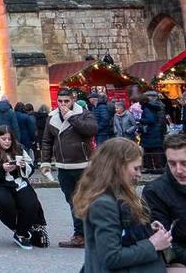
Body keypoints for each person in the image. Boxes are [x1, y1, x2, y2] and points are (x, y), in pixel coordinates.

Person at [74, 137, 171, 273]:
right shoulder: (103, 204)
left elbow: (123, 233)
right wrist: (152, 244)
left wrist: (146, 229)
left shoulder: (116, 196)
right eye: (136, 168)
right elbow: (112, 257)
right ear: (117, 167)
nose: (139, 174)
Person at [0, 125, 48, 249]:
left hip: (18, 181)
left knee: (31, 204)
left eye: (9, 139)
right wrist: (1, 168)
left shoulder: (18, 148)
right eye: (4, 139)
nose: (7, 142)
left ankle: (21, 233)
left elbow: (30, 167)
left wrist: (23, 166)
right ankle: (19, 230)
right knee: (6, 204)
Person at [40, 87, 98, 248]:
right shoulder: (51, 117)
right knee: (72, 201)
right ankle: (80, 235)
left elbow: (91, 130)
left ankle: (90, 234)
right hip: (63, 166)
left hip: (83, 165)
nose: (63, 104)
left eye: (66, 101)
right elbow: (46, 141)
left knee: (85, 200)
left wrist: (71, 117)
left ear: (72, 100)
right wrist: (45, 162)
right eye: (60, 101)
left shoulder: (84, 113)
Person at [142, 133, 186, 266]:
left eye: (184, 163)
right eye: (172, 163)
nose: (178, 170)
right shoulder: (155, 191)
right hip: (178, 258)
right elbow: (166, 242)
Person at [139, 91, 167, 173]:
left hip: (151, 132)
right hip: (156, 131)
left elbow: (151, 120)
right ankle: (156, 168)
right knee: (155, 150)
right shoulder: (156, 106)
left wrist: (140, 120)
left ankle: (153, 168)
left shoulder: (148, 108)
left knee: (151, 150)